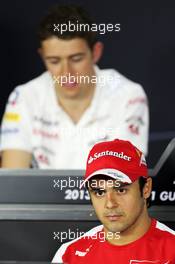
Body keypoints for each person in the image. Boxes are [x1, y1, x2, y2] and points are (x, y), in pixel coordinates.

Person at [0, 5, 149, 169]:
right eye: (54, 61)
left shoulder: (128, 96)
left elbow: (123, 181)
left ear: (96, 52)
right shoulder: (24, 97)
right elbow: (13, 181)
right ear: (42, 56)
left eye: (76, 59)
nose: (66, 73)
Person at [52, 139, 175, 263]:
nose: (110, 204)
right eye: (99, 192)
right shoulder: (68, 255)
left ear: (146, 189)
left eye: (121, 190)